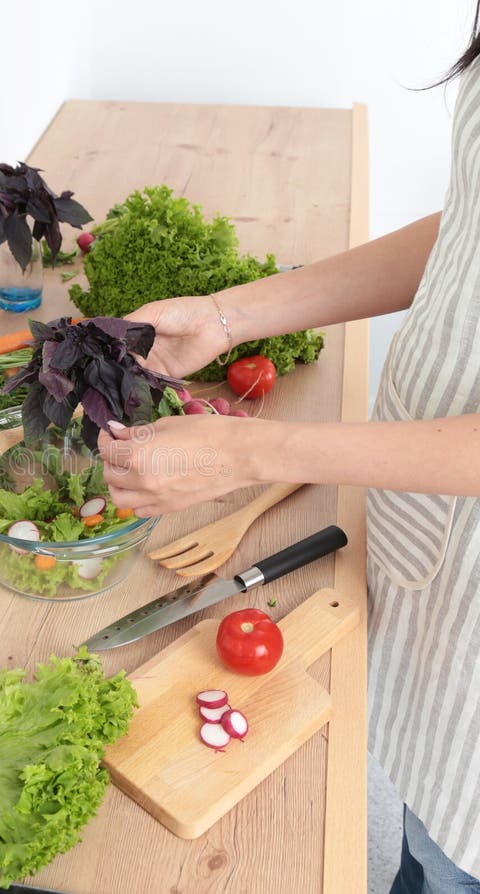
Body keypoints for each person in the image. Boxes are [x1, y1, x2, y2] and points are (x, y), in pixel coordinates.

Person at [97, 17, 480, 894]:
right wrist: (230, 316)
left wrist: (250, 448)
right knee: (423, 833)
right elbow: (471, 230)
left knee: (456, 853)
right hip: (436, 541)